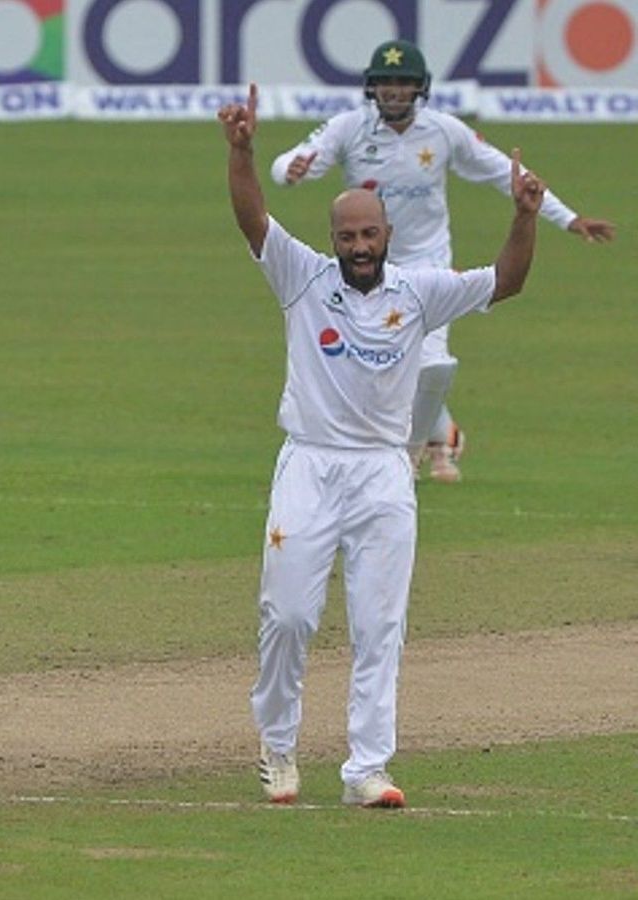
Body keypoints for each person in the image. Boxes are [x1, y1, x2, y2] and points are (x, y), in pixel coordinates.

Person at [218, 82, 544, 807]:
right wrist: (242, 152)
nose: (359, 248)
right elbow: (253, 219)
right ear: (332, 240)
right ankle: (277, 746)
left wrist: (524, 218)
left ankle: (367, 769)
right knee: (290, 614)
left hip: (382, 474)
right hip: (309, 463)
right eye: (347, 238)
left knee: (379, 626)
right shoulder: (302, 278)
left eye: (369, 236)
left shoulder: (419, 291)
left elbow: (509, 282)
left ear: (387, 236)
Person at [270, 39, 615, 482]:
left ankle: (407, 452)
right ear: (371, 89)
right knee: (376, 359)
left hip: (427, 265)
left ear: (420, 89)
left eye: (404, 83)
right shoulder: (349, 127)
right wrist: (291, 169)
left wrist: (568, 218)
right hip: (365, 265)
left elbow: (504, 171)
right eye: (385, 83)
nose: (394, 92)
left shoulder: (444, 130)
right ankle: (444, 434)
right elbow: (288, 165)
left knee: (432, 365)